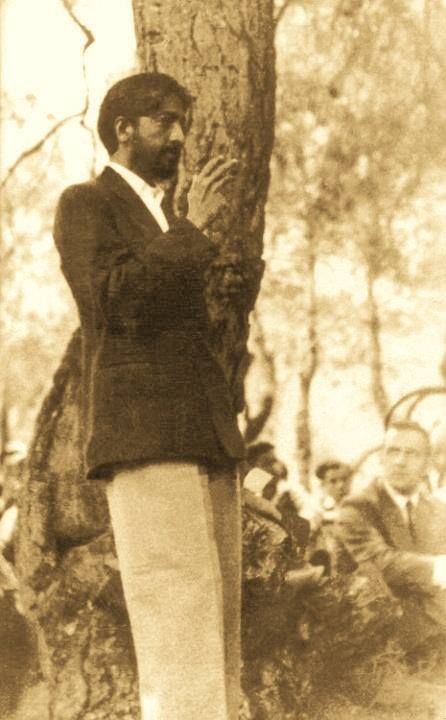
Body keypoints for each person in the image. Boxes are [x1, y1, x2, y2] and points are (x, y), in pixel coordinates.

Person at [53, 72, 246, 720]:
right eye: (164, 120)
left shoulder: (167, 216)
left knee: (218, 627)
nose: (179, 135)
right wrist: (194, 230)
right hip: (145, 439)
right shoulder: (86, 204)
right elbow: (112, 303)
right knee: (175, 620)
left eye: (182, 122)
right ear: (123, 129)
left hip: (205, 438)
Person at [336, 421, 446, 655]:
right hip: (373, 644)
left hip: (431, 635)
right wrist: (439, 568)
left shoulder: (437, 510)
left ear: (427, 464)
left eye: (411, 453)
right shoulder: (358, 507)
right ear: (381, 458)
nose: (400, 461)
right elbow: (380, 563)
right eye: (393, 451)